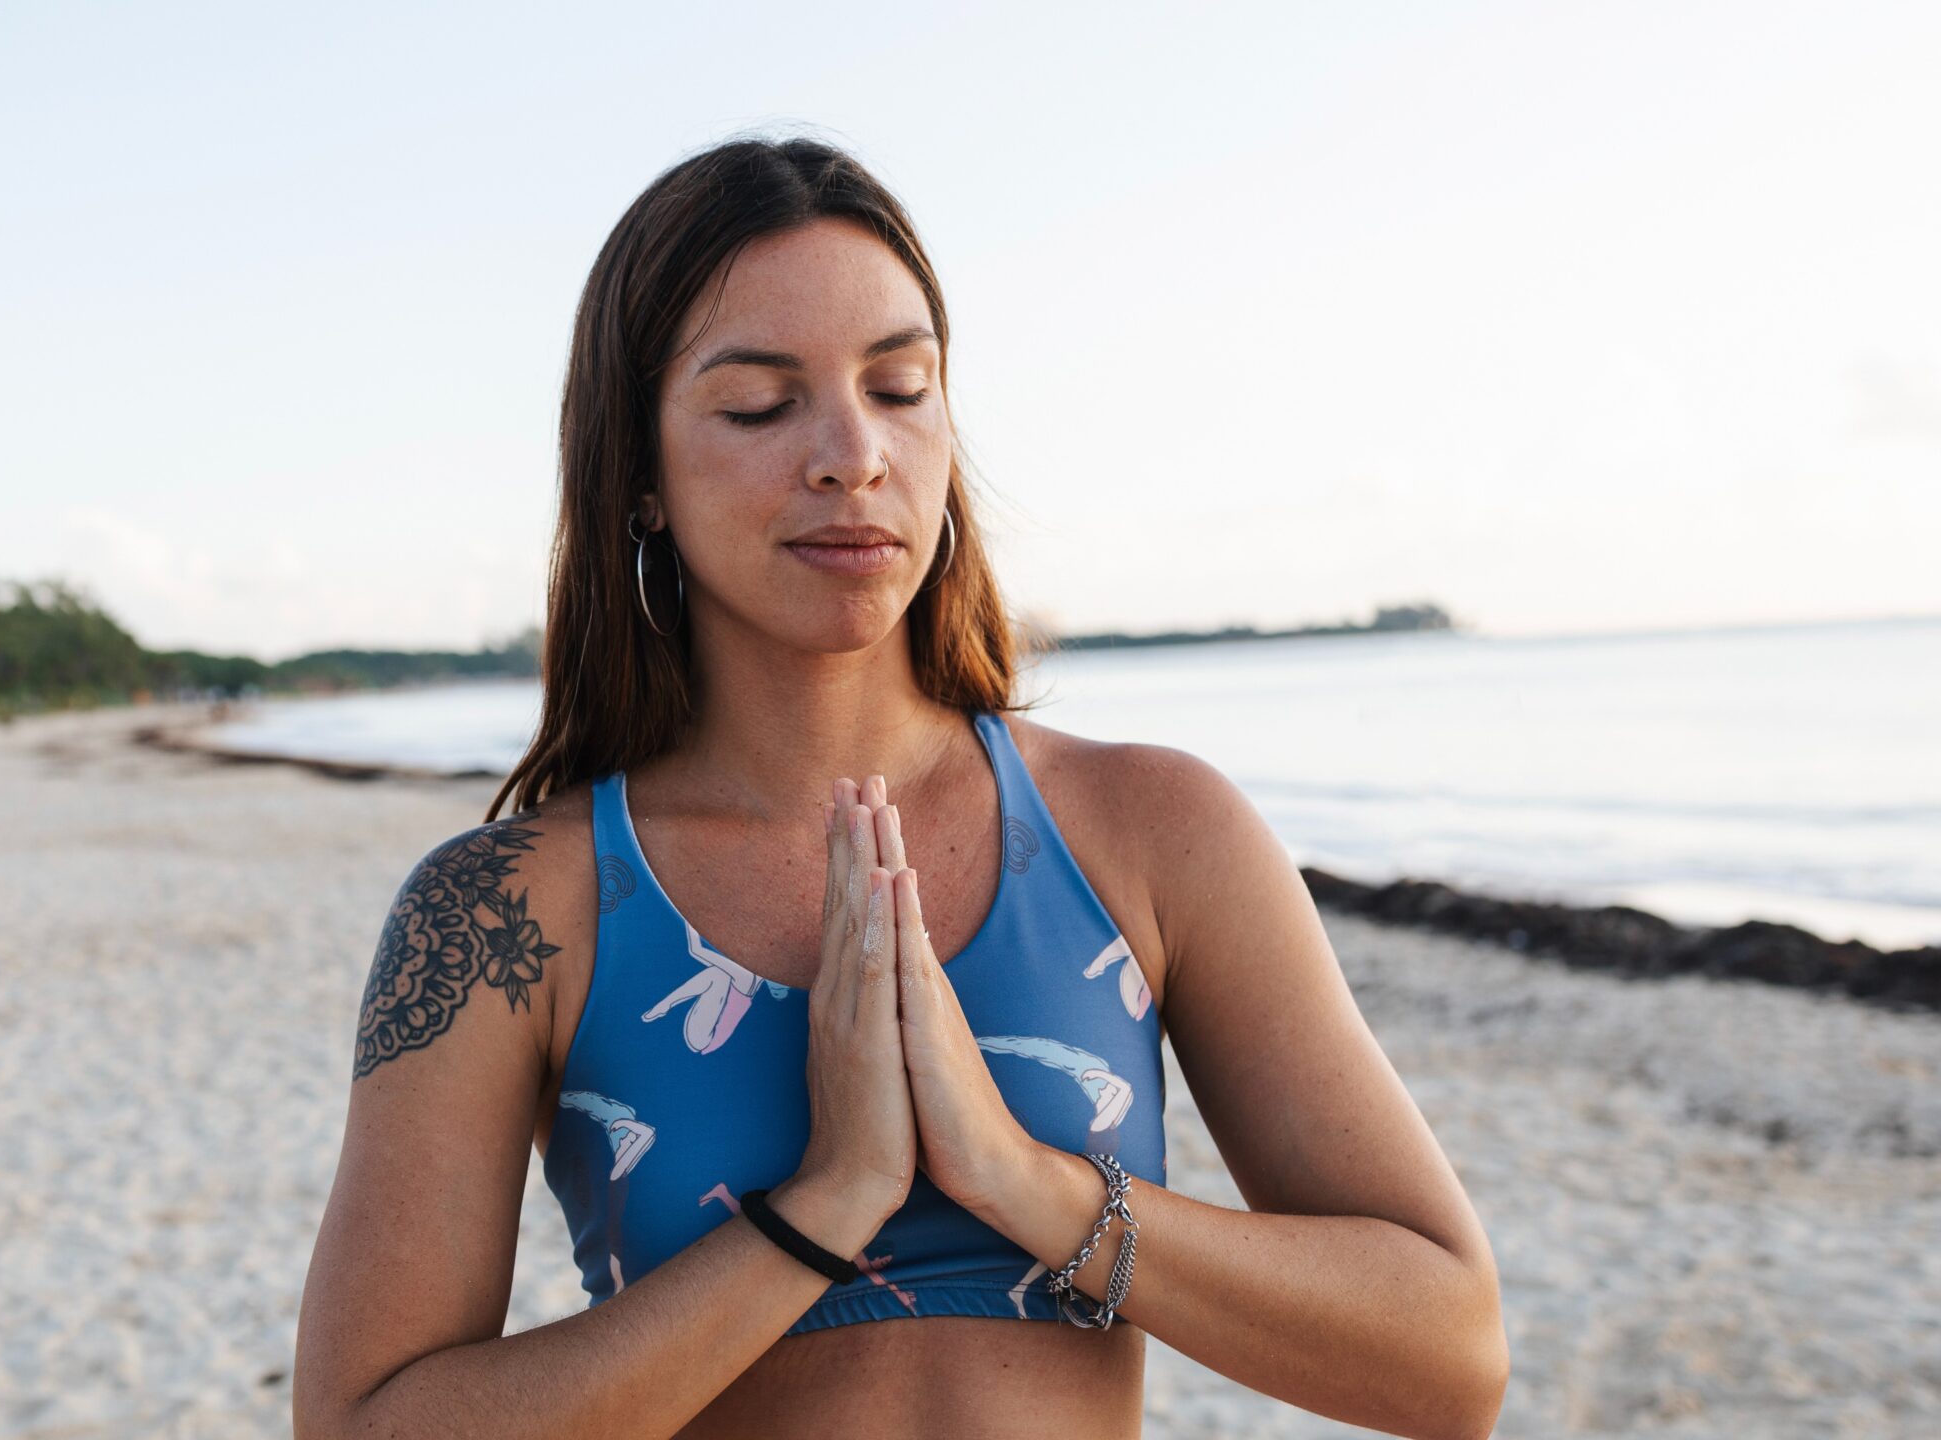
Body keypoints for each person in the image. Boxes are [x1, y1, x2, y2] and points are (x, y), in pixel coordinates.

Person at [293, 136, 1507, 1440]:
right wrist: (827, 1203)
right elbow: (366, 1422)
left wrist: (1022, 1180)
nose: (852, 453)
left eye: (902, 385)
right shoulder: (506, 915)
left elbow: (1449, 1357)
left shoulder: (1151, 832)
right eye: (761, 404)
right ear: (636, 473)